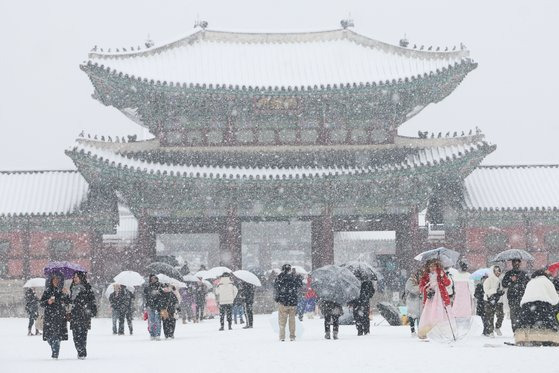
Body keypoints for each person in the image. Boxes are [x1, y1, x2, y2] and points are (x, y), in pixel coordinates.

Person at [514, 269, 559, 346]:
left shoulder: (530, 282)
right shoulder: (547, 282)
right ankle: (547, 340)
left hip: (526, 305)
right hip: (543, 304)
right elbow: (555, 300)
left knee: (526, 323)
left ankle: (524, 339)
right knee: (547, 324)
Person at [417, 259, 453, 339]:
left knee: (440, 313)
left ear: (437, 266)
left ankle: (441, 331)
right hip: (430, 297)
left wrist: (442, 276)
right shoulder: (426, 276)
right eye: (430, 266)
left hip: (441, 297)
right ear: (428, 267)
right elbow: (421, 287)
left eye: (434, 266)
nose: (432, 268)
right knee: (429, 313)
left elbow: (447, 283)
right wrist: (425, 289)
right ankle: (427, 331)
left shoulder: (441, 273)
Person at [40, 272, 69, 359]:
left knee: (57, 336)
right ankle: (54, 349)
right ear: (51, 280)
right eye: (54, 279)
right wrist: (48, 302)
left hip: (60, 316)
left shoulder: (62, 290)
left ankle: (55, 353)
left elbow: (68, 302)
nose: (56, 281)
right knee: (49, 337)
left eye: (57, 279)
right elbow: (41, 303)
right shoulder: (47, 291)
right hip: (49, 316)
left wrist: (66, 294)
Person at [69, 271, 97, 359]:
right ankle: (80, 351)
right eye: (74, 277)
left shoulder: (87, 288)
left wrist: (88, 308)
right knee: (75, 336)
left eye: (76, 276)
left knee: (82, 335)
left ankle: (82, 353)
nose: (75, 278)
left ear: (81, 278)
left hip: (84, 314)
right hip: (74, 315)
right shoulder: (72, 288)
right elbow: (69, 302)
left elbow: (92, 301)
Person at [274, 264, 303, 341]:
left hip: (283, 302)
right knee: (292, 320)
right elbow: (300, 285)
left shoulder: (279, 277)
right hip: (292, 301)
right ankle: (292, 336)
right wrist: (298, 277)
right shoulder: (293, 277)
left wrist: (278, 298)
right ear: (290, 269)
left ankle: (282, 337)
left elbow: (276, 287)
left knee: (282, 321)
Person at [502, 259, 529, 332]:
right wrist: (510, 280)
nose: (516, 264)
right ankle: (515, 331)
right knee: (513, 314)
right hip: (512, 297)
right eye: (515, 263)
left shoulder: (524, 274)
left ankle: (521, 330)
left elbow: (528, 284)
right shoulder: (508, 273)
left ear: (520, 264)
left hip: (523, 297)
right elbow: (504, 284)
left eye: (518, 263)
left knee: (522, 314)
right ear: (512, 264)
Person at [482, 265, 505, 337]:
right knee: (490, 316)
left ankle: (497, 327)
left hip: (499, 300)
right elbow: (486, 290)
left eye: (499, 271)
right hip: (489, 300)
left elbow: (502, 289)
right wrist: (495, 291)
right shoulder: (488, 280)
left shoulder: (501, 280)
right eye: (496, 271)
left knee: (501, 315)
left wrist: (502, 291)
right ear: (493, 271)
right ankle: (490, 331)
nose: (498, 272)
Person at [350, 271, 374, 336]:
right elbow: (372, 292)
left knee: (358, 317)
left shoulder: (353, 282)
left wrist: (351, 302)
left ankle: (360, 330)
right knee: (364, 316)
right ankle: (365, 330)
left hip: (358, 302)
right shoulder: (368, 282)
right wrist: (368, 296)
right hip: (363, 302)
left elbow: (350, 293)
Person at [451, 262, 474, 328]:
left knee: (457, 306)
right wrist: (472, 295)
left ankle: (456, 318)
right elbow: (471, 287)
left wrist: (455, 292)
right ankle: (466, 321)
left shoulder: (456, 275)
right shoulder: (469, 275)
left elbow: (454, 286)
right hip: (466, 294)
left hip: (458, 294)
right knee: (466, 306)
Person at [143, 274, 164, 340]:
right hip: (150, 306)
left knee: (157, 321)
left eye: (154, 278)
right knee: (151, 321)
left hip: (157, 306)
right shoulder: (148, 287)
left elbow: (163, 295)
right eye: (151, 278)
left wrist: (159, 292)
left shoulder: (160, 286)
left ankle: (157, 334)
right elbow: (146, 296)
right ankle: (152, 334)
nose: (153, 279)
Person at [405, 270, 422, 337]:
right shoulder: (410, 280)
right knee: (412, 316)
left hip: (419, 301)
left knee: (419, 317)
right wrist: (421, 287)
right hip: (411, 301)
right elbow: (412, 290)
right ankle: (413, 330)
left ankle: (420, 330)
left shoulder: (421, 280)